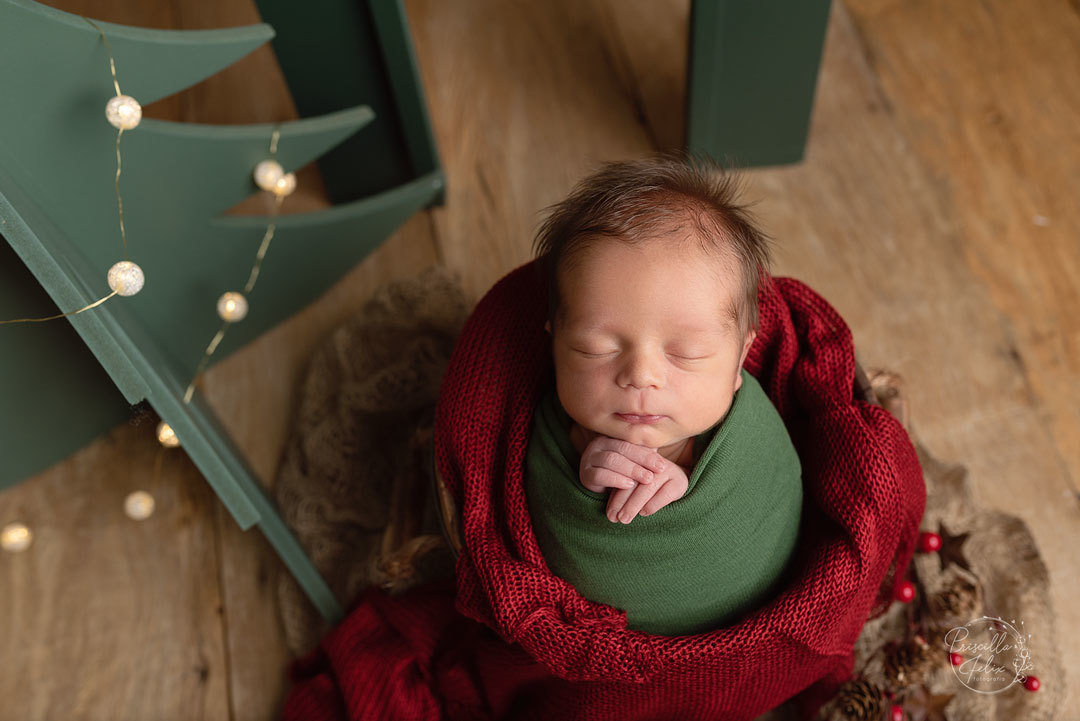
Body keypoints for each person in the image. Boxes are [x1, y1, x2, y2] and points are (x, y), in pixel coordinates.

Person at [523, 154, 804, 636]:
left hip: (758, 621)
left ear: (739, 360)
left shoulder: (745, 428)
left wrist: (689, 481)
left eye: (687, 353)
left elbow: (770, 486)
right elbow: (542, 515)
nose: (641, 376)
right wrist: (582, 478)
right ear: (553, 343)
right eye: (595, 348)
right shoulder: (551, 429)